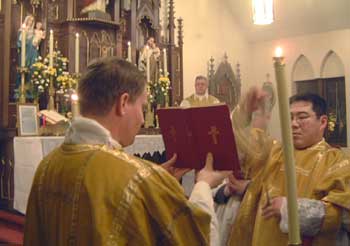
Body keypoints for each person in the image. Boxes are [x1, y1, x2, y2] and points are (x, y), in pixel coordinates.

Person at [24, 57, 231, 245]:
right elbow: (198, 239)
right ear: (123, 103)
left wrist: (158, 177)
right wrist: (203, 184)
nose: (142, 119)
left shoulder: (46, 166)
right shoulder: (137, 178)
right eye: (142, 106)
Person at [216, 87, 350, 246]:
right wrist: (243, 112)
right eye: (290, 117)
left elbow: (340, 215)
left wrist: (290, 209)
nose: (294, 124)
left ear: (322, 122)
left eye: (302, 117)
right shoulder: (272, 151)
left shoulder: (337, 162)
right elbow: (237, 142)